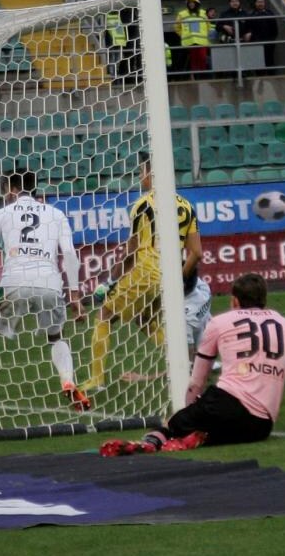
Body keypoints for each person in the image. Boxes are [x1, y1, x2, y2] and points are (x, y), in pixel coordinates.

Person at [99, 272, 285, 455]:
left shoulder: (220, 322)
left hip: (225, 403)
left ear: (235, 300)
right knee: (222, 429)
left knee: (174, 423)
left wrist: (186, 412)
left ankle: (151, 441)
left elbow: (197, 380)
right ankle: (200, 437)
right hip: (261, 425)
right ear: (264, 299)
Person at [0, 168, 90, 421]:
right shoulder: (56, 213)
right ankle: (67, 381)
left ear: (10, 190)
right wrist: (75, 295)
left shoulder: (2, 214)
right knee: (55, 335)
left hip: (13, 283)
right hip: (49, 283)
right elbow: (69, 254)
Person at [85, 152, 202, 392]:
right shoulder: (187, 206)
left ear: (153, 174)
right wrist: (177, 279)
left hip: (145, 271)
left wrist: (111, 280)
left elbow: (132, 250)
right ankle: (185, 366)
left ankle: (96, 380)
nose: (140, 177)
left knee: (105, 314)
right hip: (167, 276)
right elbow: (197, 253)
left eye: (142, 172)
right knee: (145, 320)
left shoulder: (144, 204)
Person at [175, 0, 211, 74]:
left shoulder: (203, 13)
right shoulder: (182, 14)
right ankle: (194, 77)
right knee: (193, 60)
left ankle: (203, 76)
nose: (191, 4)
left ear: (196, 3)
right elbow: (177, 27)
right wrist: (183, 35)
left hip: (201, 41)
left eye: (193, 2)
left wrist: (204, 34)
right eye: (189, 2)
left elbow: (208, 25)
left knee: (203, 58)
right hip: (190, 42)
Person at [244, 0, 280, 71]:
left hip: (269, 41)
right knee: (258, 63)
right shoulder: (251, 14)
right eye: (258, 2)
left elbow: (275, 29)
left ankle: (271, 78)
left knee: (269, 61)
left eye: (262, 2)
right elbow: (247, 28)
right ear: (255, 3)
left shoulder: (269, 13)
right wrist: (250, 34)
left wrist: (272, 39)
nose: (260, 4)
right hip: (256, 42)